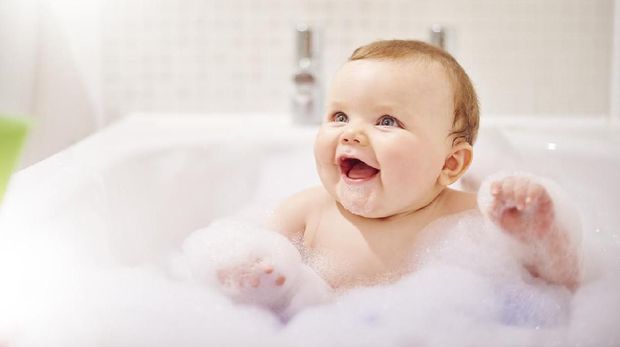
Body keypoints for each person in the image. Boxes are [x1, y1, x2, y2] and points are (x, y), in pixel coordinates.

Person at [207, 40, 581, 317]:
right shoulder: (307, 213)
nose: (351, 133)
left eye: (387, 121)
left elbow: (559, 289)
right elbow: (241, 262)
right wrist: (247, 278)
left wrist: (539, 235)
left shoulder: (470, 220)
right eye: (339, 116)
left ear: (450, 165)